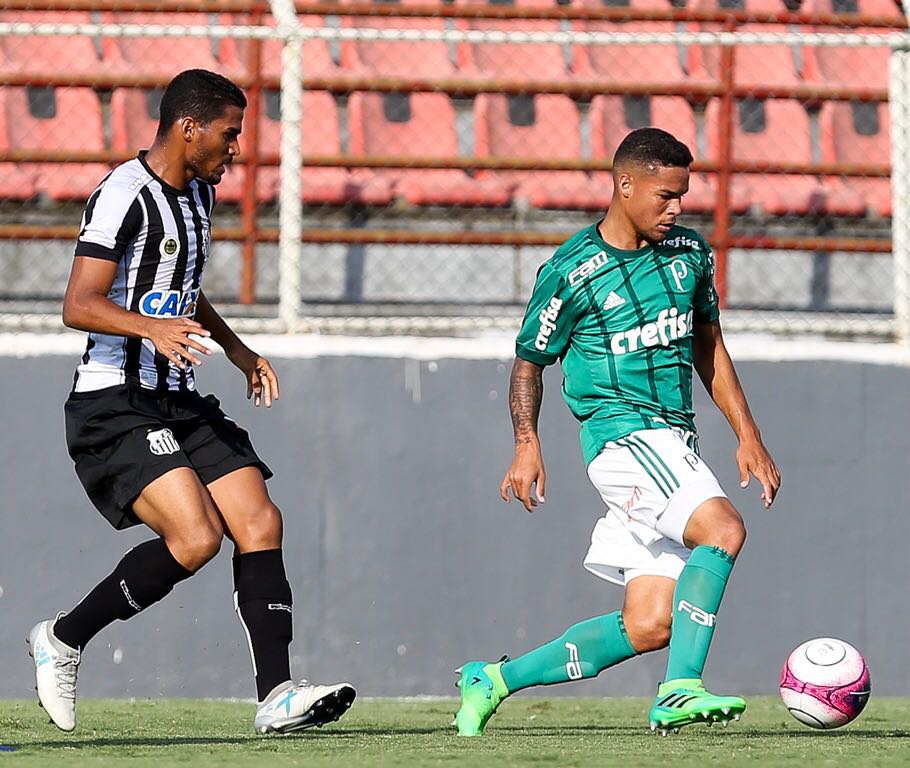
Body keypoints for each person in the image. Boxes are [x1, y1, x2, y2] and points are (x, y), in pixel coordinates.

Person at [27, 69, 355, 735]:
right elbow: (78, 303)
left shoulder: (200, 193)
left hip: (177, 395)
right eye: (229, 134)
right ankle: (62, 638)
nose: (236, 148)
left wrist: (237, 349)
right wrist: (150, 329)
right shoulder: (123, 194)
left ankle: (276, 696)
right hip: (115, 401)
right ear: (188, 128)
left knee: (260, 520)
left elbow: (181, 287)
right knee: (197, 537)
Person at [454, 128, 781, 737]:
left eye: (682, 196)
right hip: (624, 436)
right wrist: (527, 444)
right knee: (724, 529)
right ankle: (680, 689)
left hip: (674, 440)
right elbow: (529, 362)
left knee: (651, 624)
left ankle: (492, 679)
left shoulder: (690, 254)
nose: (676, 207)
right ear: (625, 185)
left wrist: (748, 433)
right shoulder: (572, 270)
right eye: (665, 195)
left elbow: (708, 345)